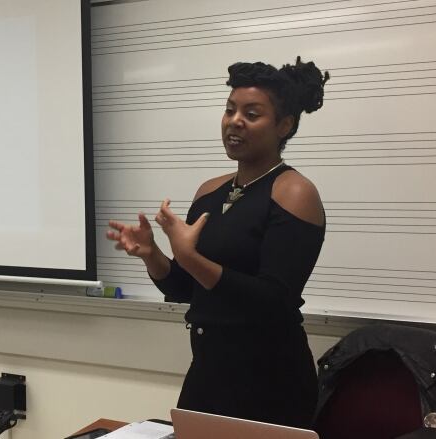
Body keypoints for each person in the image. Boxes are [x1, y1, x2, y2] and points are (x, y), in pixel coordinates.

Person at [106, 57, 330, 428]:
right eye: (230, 110)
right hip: (208, 373)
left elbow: (273, 301)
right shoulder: (210, 191)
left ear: (284, 125)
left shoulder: (294, 192)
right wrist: (153, 254)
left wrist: (190, 256)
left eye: (252, 113)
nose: (234, 121)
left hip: (270, 380)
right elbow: (186, 287)